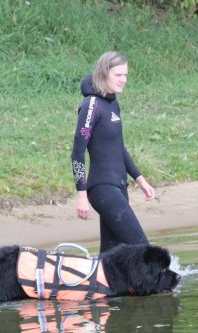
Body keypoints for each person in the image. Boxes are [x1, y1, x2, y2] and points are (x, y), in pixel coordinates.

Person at [71, 51, 155, 253]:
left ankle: (101, 284)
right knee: (142, 249)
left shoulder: (113, 103)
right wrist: (81, 194)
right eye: (118, 75)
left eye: (125, 75)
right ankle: (164, 283)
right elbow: (78, 151)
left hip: (119, 187)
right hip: (102, 189)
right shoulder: (91, 105)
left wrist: (140, 180)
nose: (123, 80)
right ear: (104, 73)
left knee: (111, 254)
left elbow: (118, 148)